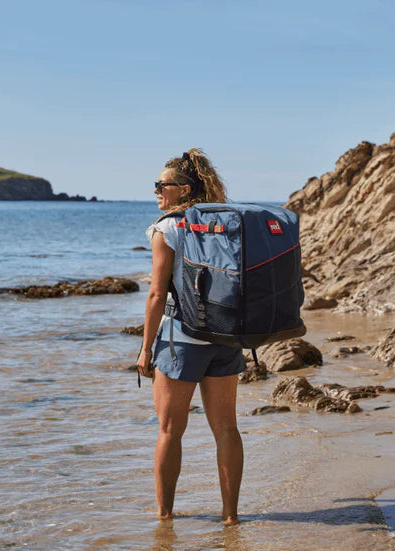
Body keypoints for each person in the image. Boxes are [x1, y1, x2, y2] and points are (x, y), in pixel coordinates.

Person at [136, 148, 244, 525]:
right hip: (226, 337)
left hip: (182, 338)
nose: (156, 192)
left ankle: (164, 518)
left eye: (161, 185)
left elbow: (155, 294)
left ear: (182, 189)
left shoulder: (167, 228)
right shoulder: (227, 222)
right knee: (227, 428)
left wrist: (146, 348)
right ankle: (231, 517)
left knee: (169, 430)